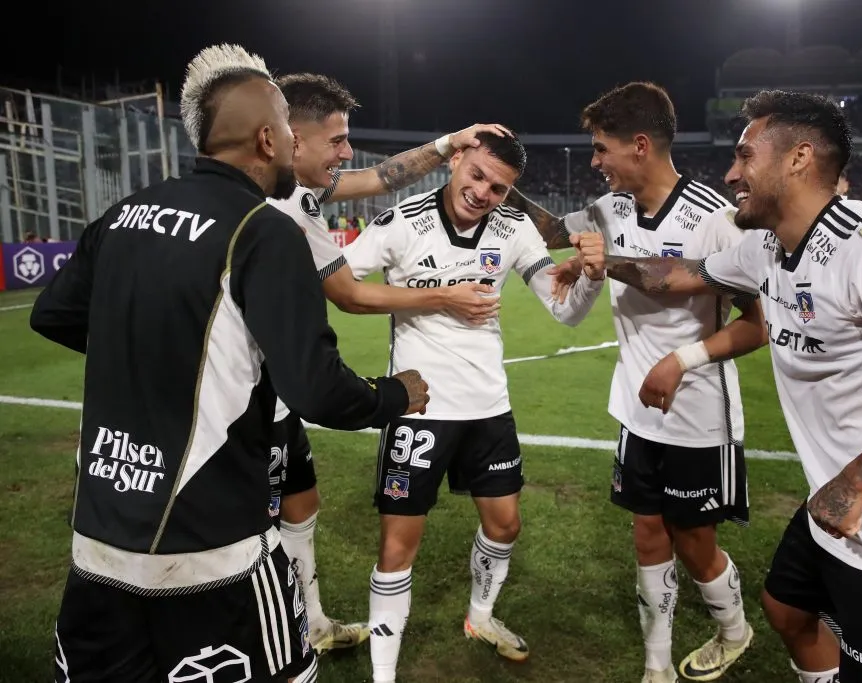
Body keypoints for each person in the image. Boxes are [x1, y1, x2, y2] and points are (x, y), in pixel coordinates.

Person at [569, 89, 862, 683]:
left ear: (798, 158)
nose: (731, 173)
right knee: (785, 608)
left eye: (746, 157)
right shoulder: (765, 247)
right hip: (833, 501)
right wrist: (608, 263)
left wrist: (857, 481)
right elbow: (676, 274)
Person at [30, 43, 428, 683]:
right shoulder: (262, 231)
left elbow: (53, 314)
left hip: (98, 544)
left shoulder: (125, 213)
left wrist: (161, 358)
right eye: (291, 135)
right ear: (271, 140)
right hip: (215, 554)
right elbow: (317, 390)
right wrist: (396, 394)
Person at [505, 82, 763, 683]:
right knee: (647, 531)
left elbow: (758, 327)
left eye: (601, 150)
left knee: (695, 544)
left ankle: (734, 630)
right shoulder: (610, 209)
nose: (595, 162)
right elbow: (548, 231)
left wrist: (682, 360)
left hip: (700, 414)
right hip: (635, 411)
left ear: (639, 145)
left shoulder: (716, 220)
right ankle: (657, 664)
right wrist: (486, 173)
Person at [341, 131, 605, 683]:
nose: (483, 192)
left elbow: (563, 308)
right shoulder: (401, 222)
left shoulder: (514, 231)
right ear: (456, 159)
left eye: (499, 187)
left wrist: (589, 278)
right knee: (398, 544)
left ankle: (480, 618)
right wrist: (439, 296)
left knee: (505, 525)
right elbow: (344, 287)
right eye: (478, 175)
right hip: (419, 407)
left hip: (488, 406)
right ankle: (383, 675)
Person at [263, 70, 510, 655]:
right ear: (292, 140)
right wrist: (445, 297)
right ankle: (262, 641)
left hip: (277, 386)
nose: (347, 153)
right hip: (245, 391)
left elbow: (379, 176)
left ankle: (314, 622)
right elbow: (352, 295)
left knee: (302, 503)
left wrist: (452, 143)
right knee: (246, 527)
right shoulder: (289, 210)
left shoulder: (302, 192)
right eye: (337, 141)